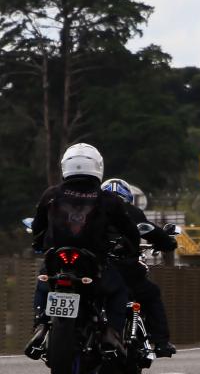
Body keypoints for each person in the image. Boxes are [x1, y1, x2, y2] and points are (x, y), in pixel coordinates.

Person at [24, 143, 140, 359]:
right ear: (98, 166)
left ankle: (40, 325)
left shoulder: (51, 194)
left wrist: (39, 242)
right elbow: (129, 230)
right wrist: (131, 249)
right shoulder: (108, 199)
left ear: (65, 166)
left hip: (56, 258)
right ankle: (111, 333)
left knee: (43, 284)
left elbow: (38, 227)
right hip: (92, 262)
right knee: (118, 290)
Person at [101, 178, 178, 357]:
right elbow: (150, 231)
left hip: (94, 266)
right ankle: (160, 342)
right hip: (122, 268)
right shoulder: (129, 211)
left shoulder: (90, 209)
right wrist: (168, 243)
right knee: (151, 293)